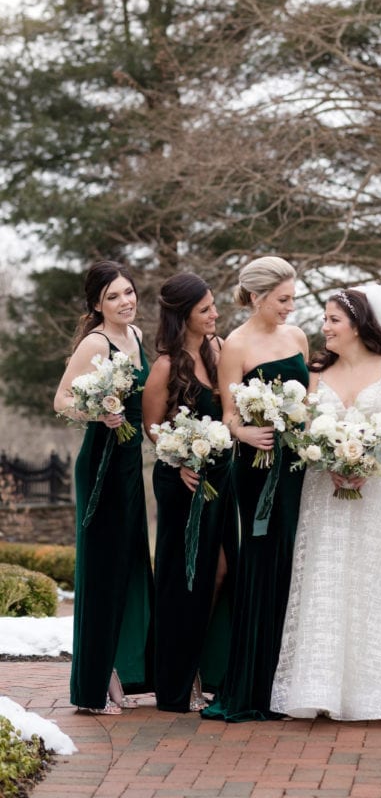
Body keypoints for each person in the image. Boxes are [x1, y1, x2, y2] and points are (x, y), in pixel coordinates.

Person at [271, 285, 381, 720]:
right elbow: (307, 433)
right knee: (326, 577)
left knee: (377, 581)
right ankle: (319, 687)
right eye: (324, 320)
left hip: (379, 490)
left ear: (358, 325)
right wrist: (330, 462)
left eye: (332, 321)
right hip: (325, 490)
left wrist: (366, 464)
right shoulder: (316, 374)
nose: (324, 328)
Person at [202, 256, 309, 722]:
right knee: (264, 559)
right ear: (257, 296)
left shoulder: (298, 337)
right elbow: (228, 415)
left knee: (297, 558)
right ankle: (257, 683)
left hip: (300, 465)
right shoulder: (236, 346)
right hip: (257, 467)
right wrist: (245, 433)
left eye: (293, 298)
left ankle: (295, 679)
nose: (290, 307)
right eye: (283, 299)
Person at [54, 260, 153, 714]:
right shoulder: (97, 341)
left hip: (130, 463)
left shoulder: (134, 337)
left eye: (128, 292)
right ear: (97, 304)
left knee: (130, 565)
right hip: (101, 464)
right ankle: (96, 683)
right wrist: (97, 413)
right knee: (103, 570)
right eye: (113, 296)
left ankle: (125, 671)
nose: (124, 301)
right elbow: (62, 399)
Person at [142, 273, 235, 713]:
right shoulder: (166, 365)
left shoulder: (218, 351)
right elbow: (153, 427)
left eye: (214, 305)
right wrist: (178, 460)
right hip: (181, 482)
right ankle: (178, 681)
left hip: (217, 478)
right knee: (185, 579)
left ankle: (202, 665)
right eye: (205, 310)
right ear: (184, 317)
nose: (215, 314)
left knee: (217, 573)